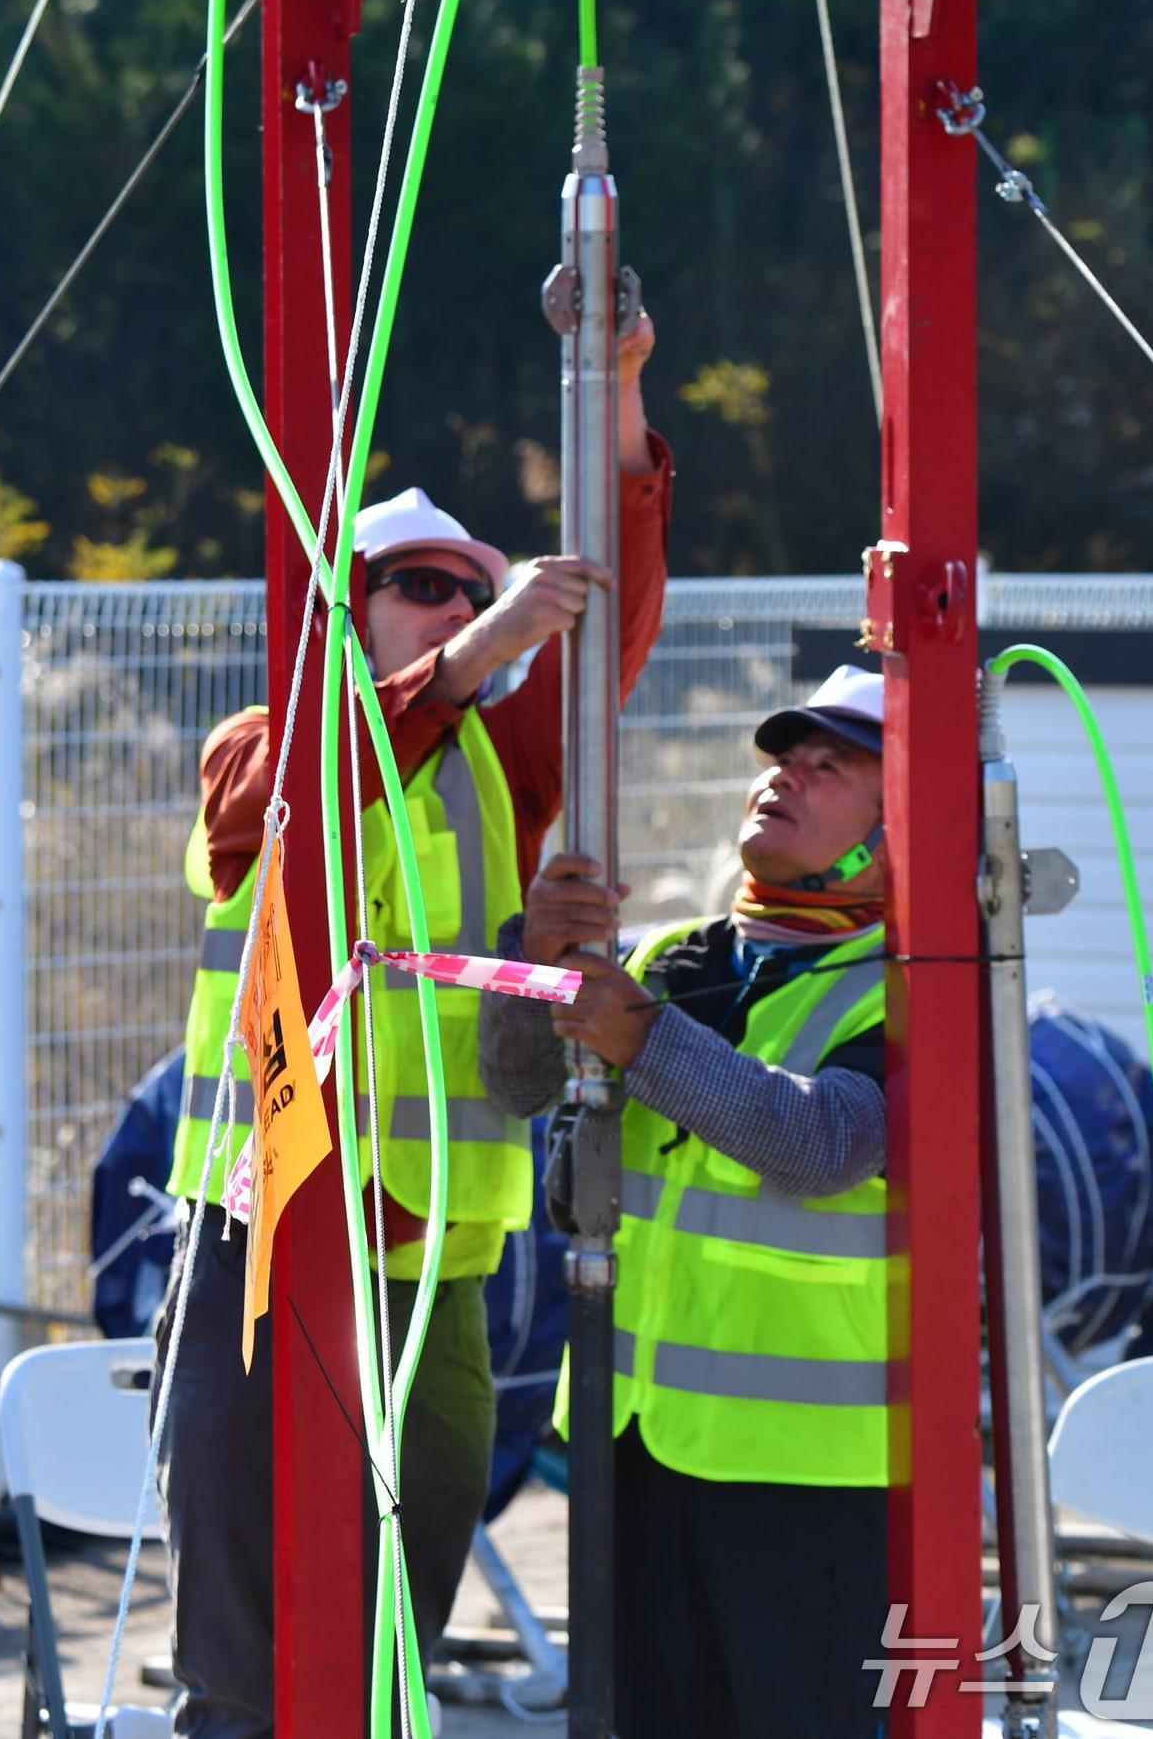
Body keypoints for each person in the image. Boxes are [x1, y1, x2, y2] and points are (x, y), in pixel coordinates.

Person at [152, 313, 671, 1739]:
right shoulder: (261, 745)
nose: (455, 609)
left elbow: (609, 630)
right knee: (248, 1658)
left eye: (471, 592)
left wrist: (618, 394)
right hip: (266, 1253)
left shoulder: (496, 764)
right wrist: (468, 659)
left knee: (398, 1637)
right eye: (420, 587)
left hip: (433, 1257)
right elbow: (301, 797)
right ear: (341, 604)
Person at [478, 663, 891, 1739]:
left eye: (829, 766)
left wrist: (646, 1041)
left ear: (903, 826)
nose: (782, 778)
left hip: (810, 1472)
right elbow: (517, 1085)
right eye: (782, 759)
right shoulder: (671, 957)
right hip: (632, 1449)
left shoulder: (919, 988)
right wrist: (533, 960)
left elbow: (819, 1144)